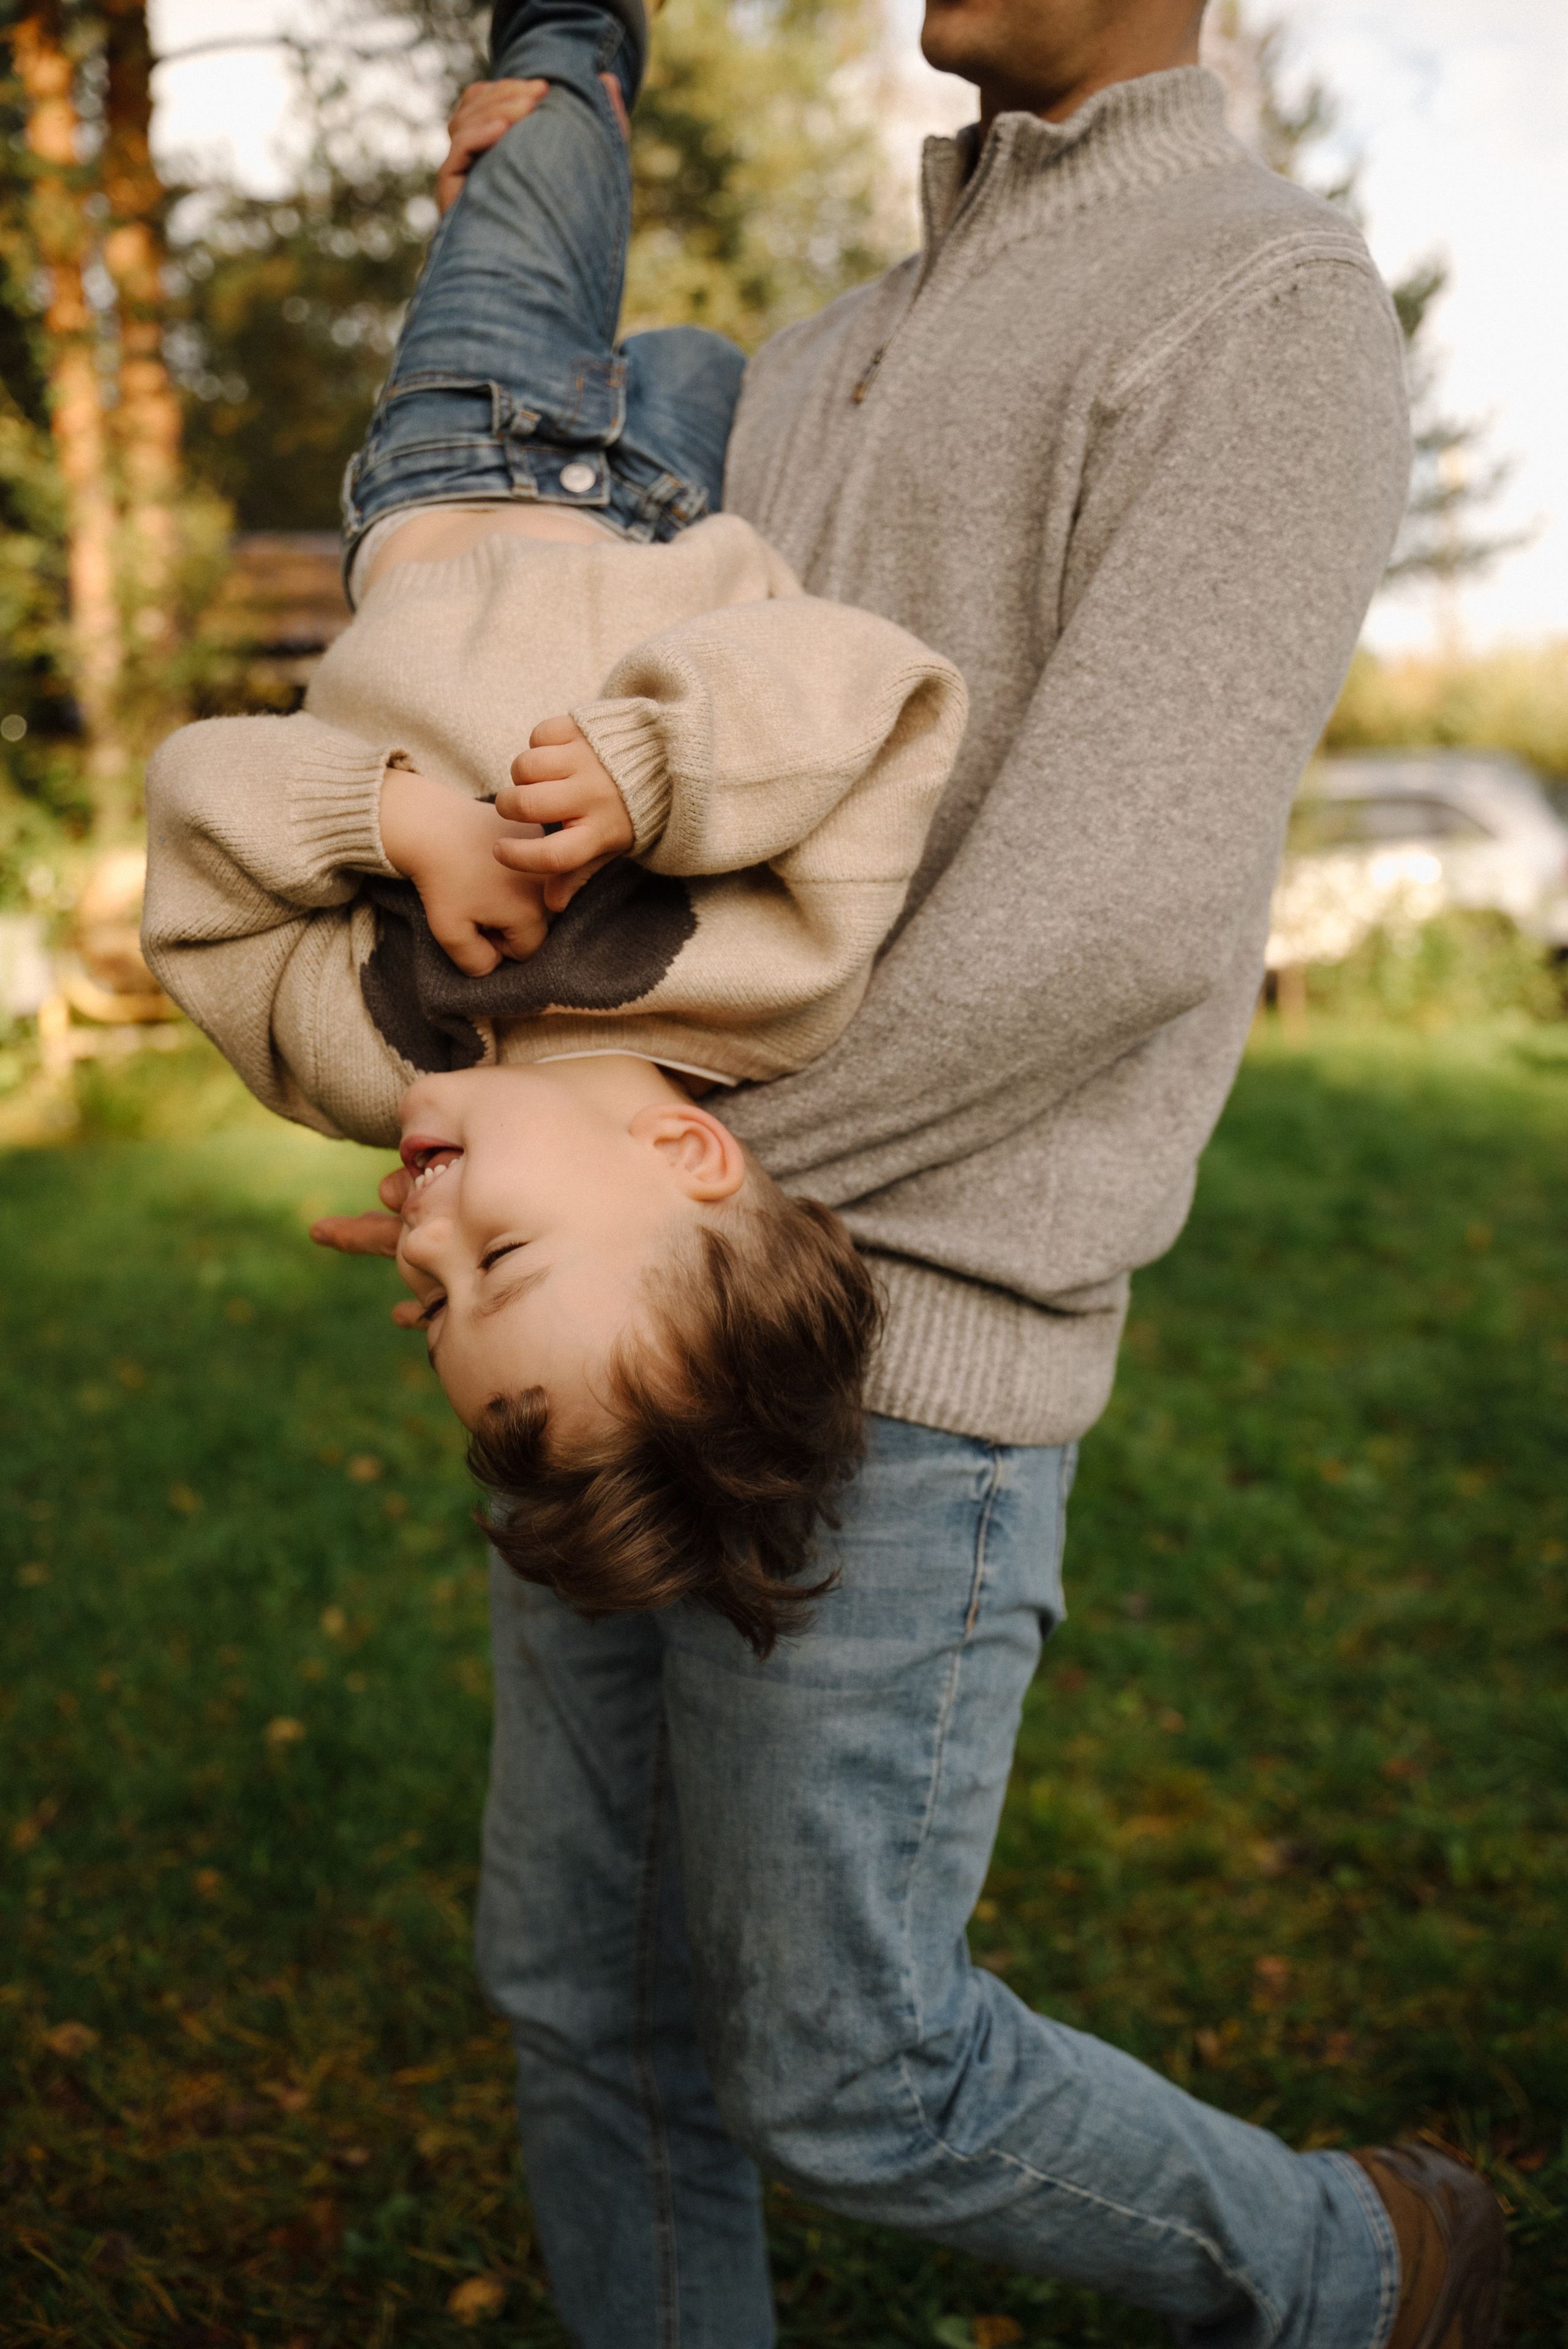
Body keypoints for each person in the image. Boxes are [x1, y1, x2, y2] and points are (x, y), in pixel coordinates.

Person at [441, 1, 1509, 2345]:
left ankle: (1374, 2265)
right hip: (612, 1306)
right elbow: (592, 715)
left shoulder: (1259, 299)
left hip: (895, 1364)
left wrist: (621, 1182)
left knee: (851, 2066)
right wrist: (515, 260)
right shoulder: (822, 351)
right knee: (583, 1997)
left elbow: (1111, 916)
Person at [140, 0, 967, 1643]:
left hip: (468, 447)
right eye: (497, 1255)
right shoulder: (777, 987)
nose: (424, 1232)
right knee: (584, 80)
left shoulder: (379, 1059)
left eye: (431, 1300)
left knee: (543, 135)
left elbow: (196, 842)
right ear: (684, 1151)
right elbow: (876, 695)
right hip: (686, 475)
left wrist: (396, 821)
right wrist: (658, 773)